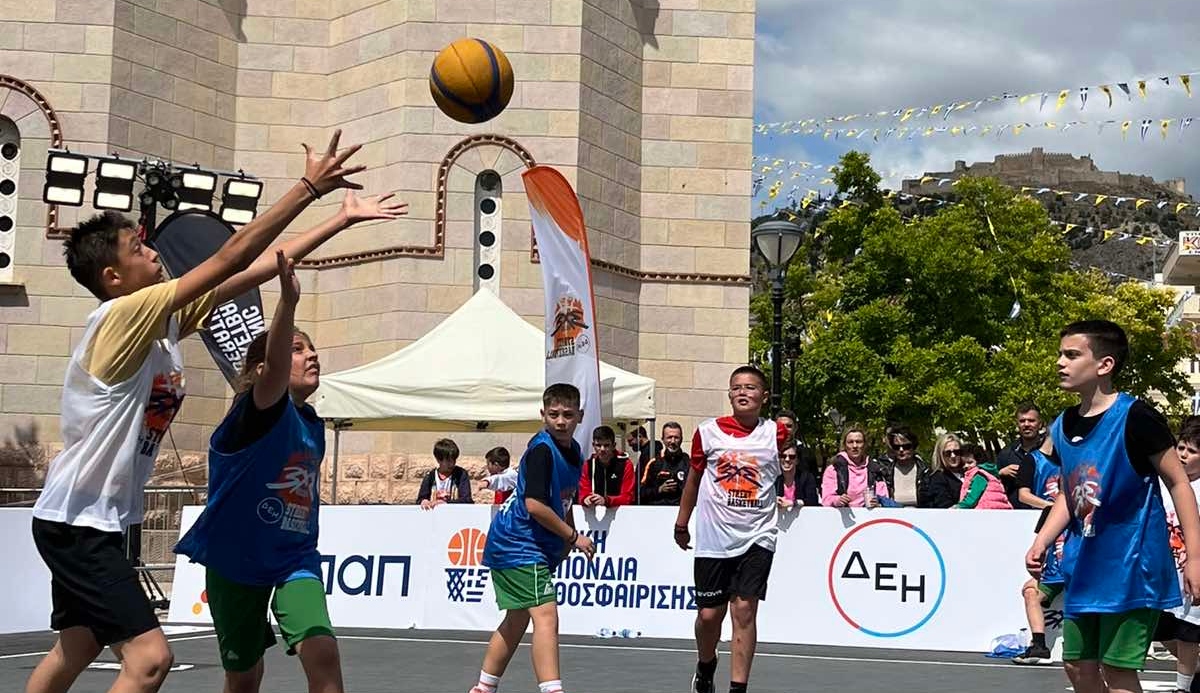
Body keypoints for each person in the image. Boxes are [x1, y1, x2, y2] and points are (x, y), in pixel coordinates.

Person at [26, 130, 375, 693]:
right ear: (113, 277)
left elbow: (250, 272)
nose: (154, 250)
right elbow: (228, 255)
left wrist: (340, 219)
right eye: (138, 249)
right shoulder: (121, 315)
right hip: (78, 522)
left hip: (91, 520)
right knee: (149, 660)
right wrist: (307, 187)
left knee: (78, 645)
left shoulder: (157, 327)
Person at [174, 251, 342, 693]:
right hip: (236, 558)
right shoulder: (258, 411)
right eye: (297, 349)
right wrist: (287, 302)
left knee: (322, 651)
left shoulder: (312, 424)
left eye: (312, 348)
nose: (313, 356)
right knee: (244, 677)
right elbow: (274, 377)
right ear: (263, 368)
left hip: (293, 557)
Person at [1026, 320, 1200, 693]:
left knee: (1118, 672)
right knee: (1076, 666)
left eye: (1072, 355)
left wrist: (1197, 558)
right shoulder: (1062, 425)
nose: (1060, 362)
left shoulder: (1137, 417)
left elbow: (1179, 483)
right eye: (1061, 354)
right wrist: (1042, 539)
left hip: (1134, 567)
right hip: (1085, 568)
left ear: (1104, 365)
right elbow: (1069, 494)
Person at [467, 384, 596, 693]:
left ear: (580, 415)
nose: (561, 421)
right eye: (553, 415)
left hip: (521, 545)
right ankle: (553, 690)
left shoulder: (575, 452)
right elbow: (535, 505)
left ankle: (483, 688)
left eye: (567, 414)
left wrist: (566, 538)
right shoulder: (541, 451)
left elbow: (564, 500)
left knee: (517, 619)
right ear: (543, 415)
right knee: (546, 615)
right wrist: (573, 536)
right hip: (516, 543)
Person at [673, 365, 788, 693]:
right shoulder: (708, 432)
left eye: (751, 388)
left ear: (763, 397)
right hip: (714, 538)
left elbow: (789, 470)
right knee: (710, 615)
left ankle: (738, 688)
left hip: (758, 535)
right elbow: (693, 479)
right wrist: (682, 522)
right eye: (737, 387)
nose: (743, 392)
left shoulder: (776, 434)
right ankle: (706, 664)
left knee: (744, 609)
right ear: (729, 393)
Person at [1152, 417, 1200, 693]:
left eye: (1191, 451)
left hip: (1191, 572)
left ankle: (1182, 686)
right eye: (1181, 447)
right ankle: (1195, 669)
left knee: (1188, 633)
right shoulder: (1163, 484)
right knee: (1161, 629)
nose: (1183, 455)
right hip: (1164, 571)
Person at [1013, 438, 1067, 665]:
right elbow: (1039, 544)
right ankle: (1038, 646)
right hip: (1057, 571)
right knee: (1030, 591)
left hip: (1086, 571)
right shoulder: (1050, 511)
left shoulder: (1088, 507)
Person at [821, 426, 889, 508]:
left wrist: (878, 503)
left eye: (858, 442)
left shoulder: (875, 469)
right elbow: (826, 499)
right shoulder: (833, 469)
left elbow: (884, 498)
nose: (855, 446)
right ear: (845, 445)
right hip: (842, 516)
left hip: (869, 517)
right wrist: (837, 500)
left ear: (864, 445)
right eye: (850, 442)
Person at [1000, 404, 1046, 509]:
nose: (1026, 424)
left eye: (1031, 420)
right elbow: (994, 486)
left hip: (1045, 510)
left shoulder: (1051, 450)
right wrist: (1001, 473)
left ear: (1040, 424)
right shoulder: (1006, 454)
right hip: (1016, 514)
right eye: (1022, 421)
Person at [579, 425, 635, 508]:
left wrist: (607, 500)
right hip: (594, 515)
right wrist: (585, 499)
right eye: (598, 445)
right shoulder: (588, 465)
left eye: (606, 445)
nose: (602, 449)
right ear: (593, 445)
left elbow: (628, 497)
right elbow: (583, 492)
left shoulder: (625, 464)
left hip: (621, 514)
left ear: (613, 445)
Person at [875, 426, 930, 507]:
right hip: (893, 516)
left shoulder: (926, 472)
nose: (901, 450)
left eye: (906, 446)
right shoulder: (884, 472)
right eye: (896, 447)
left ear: (914, 447)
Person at [641, 422, 690, 506]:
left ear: (681, 439)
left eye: (676, 438)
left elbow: (698, 491)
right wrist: (659, 489)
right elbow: (640, 493)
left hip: (681, 511)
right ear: (663, 439)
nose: (673, 441)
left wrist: (680, 488)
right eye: (669, 437)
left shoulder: (689, 463)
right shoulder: (654, 463)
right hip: (659, 512)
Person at [418, 439, 473, 508]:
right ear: (438, 460)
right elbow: (420, 499)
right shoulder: (430, 477)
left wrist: (446, 503)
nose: (452, 463)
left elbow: (467, 500)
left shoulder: (461, 474)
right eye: (448, 461)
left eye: (454, 460)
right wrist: (423, 501)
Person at [955, 444, 1013, 509]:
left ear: (978, 461)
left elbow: (972, 497)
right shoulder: (990, 474)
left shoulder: (979, 474)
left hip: (986, 510)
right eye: (963, 463)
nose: (966, 466)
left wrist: (959, 507)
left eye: (970, 462)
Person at [920, 433, 965, 508]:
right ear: (940, 455)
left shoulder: (970, 473)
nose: (953, 456)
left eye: (956, 452)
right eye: (948, 453)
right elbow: (943, 504)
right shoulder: (937, 478)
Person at [774, 441, 819, 510]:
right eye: (783, 456)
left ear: (797, 460)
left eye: (792, 457)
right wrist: (773, 501)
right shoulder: (773, 479)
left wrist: (793, 503)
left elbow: (813, 501)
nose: (787, 459)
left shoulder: (807, 477)